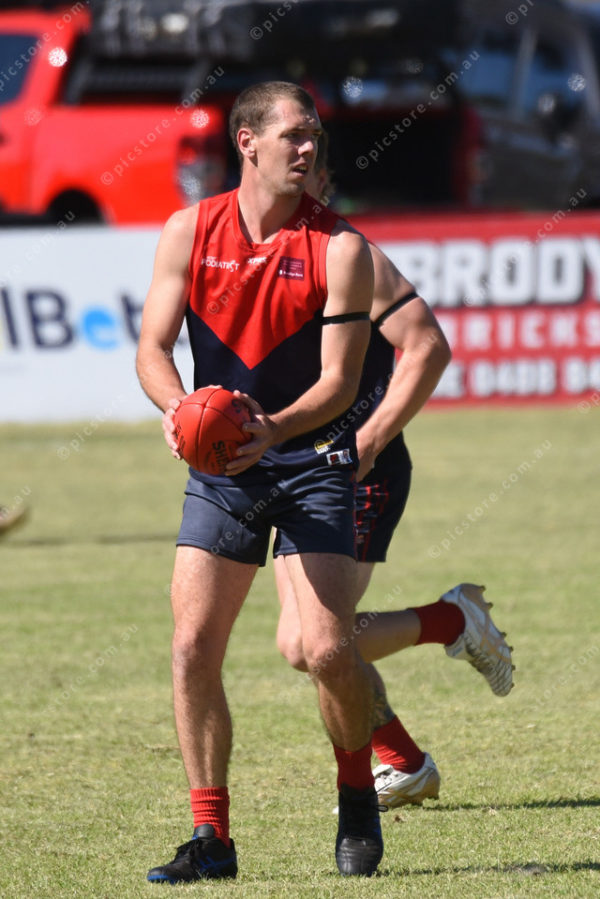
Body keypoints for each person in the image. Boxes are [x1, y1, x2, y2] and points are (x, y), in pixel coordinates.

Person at [136, 81, 386, 881]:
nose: (308, 148)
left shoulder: (340, 247)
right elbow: (152, 348)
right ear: (246, 142)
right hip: (222, 471)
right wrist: (179, 410)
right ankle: (211, 838)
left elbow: (341, 382)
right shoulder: (189, 229)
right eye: (293, 135)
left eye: (314, 136)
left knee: (326, 649)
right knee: (190, 647)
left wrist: (271, 429)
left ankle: (357, 792)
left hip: (310, 464)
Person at [275, 135, 514, 811]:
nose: (294, 180)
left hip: (357, 470)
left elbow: (428, 346)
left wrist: (369, 441)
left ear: (324, 180)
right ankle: (406, 754)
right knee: (306, 642)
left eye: (308, 169)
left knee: (311, 642)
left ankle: (448, 623)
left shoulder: (352, 254)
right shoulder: (256, 258)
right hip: (290, 470)